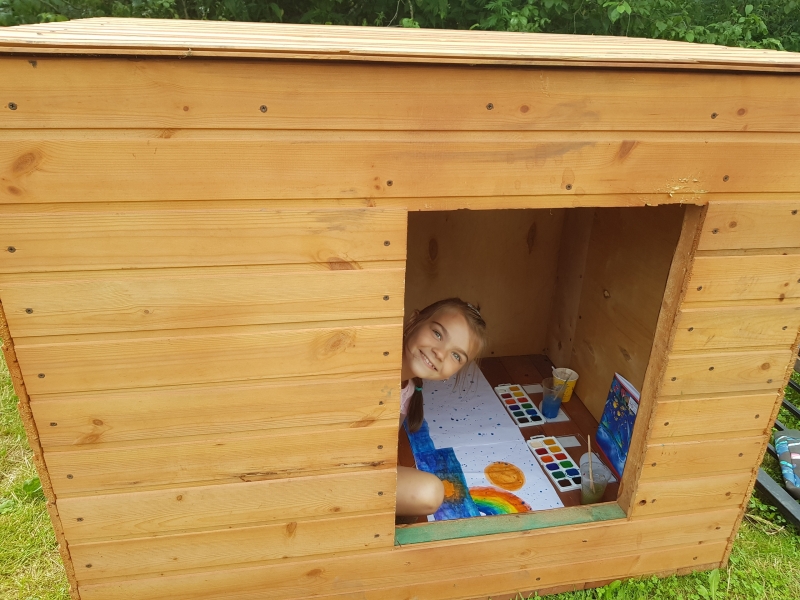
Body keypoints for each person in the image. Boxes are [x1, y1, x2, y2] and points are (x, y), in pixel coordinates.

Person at [395, 298, 488, 517]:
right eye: (437, 334)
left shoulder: (408, 391)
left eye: (456, 355)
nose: (440, 353)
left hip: (355, 474)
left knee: (430, 492)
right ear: (413, 321)